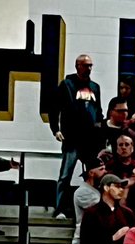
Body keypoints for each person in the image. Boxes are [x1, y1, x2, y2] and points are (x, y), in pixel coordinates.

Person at [50, 55, 102, 219]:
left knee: (93, 175)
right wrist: (55, 129)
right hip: (72, 138)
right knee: (65, 175)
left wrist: (100, 129)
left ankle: (92, 208)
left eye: (90, 65)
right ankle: (60, 208)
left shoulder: (95, 87)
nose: (89, 69)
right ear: (78, 66)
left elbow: (97, 110)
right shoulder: (67, 85)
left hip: (90, 140)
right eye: (86, 65)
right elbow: (54, 108)